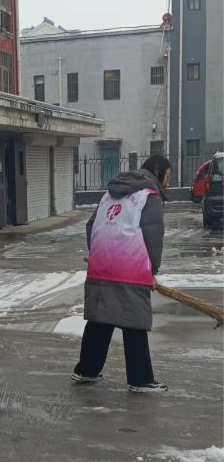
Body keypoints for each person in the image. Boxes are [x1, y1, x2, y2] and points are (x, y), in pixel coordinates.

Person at [71, 154, 171, 393]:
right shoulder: (149, 195)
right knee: (134, 320)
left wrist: (99, 252)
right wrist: (152, 270)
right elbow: (153, 236)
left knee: (100, 318)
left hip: (100, 265)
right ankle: (141, 379)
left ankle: (87, 370)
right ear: (157, 170)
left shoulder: (109, 194)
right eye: (167, 176)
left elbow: (91, 225)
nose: (167, 182)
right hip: (130, 267)